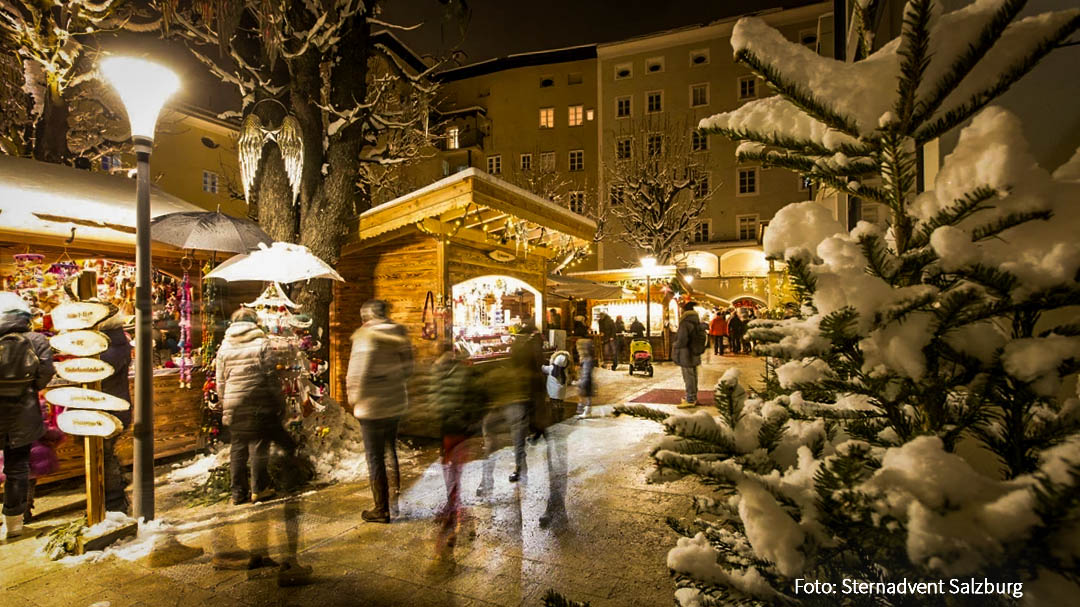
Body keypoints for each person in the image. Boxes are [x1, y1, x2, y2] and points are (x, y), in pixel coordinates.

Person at [217, 308, 295, 506]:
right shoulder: (261, 343)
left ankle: (237, 493)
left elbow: (220, 380)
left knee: (238, 447)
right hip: (256, 401)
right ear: (254, 322)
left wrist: (224, 402)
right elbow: (271, 375)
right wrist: (279, 401)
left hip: (234, 403)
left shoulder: (225, 346)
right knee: (259, 446)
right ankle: (258, 489)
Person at [347, 300, 414, 523]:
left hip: (372, 406)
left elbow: (358, 371)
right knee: (390, 452)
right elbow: (408, 369)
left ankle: (381, 508)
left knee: (374, 457)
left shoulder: (365, 336)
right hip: (394, 402)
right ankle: (394, 501)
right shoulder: (399, 333)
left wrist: (354, 397)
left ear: (366, 315)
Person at [0, 292, 55, 540]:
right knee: (18, 468)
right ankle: (13, 524)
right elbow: (45, 375)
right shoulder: (36, 340)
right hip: (24, 412)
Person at [426, 340, 483, 552]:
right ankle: (453, 502)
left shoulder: (436, 371)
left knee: (450, 464)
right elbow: (473, 396)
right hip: (463, 425)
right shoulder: (463, 368)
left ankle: (452, 505)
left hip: (448, 424)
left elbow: (435, 400)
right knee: (456, 464)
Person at [98, 310, 132, 513]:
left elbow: (101, 371)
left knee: (105, 454)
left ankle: (114, 502)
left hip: (110, 407)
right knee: (105, 453)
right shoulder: (116, 342)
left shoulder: (110, 346)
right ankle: (115, 494)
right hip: (111, 405)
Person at [673, 301, 704, 408]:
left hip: (686, 354)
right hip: (694, 353)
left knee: (688, 376)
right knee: (693, 375)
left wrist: (675, 344)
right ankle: (692, 396)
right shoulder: (696, 322)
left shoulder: (685, 323)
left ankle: (690, 399)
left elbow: (682, 340)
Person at [575, 339, 596, 418]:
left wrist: (580, 382)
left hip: (586, 381)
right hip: (586, 380)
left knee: (584, 396)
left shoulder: (587, 360)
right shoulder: (588, 359)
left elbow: (586, 373)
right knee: (586, 397)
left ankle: (585, 411)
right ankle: (585, 411)